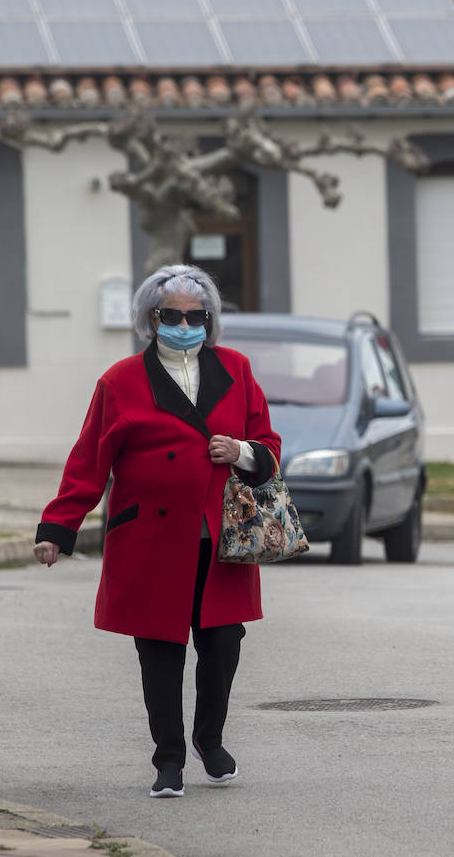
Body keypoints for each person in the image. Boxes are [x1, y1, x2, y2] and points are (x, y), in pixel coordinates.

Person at [33, 264, 280, 798]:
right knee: (160, 651)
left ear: (210, 320)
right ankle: (168, 760)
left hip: (221, 540)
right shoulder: (119, 381)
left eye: (197, 316)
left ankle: (208, 741)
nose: (185, 324)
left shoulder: (236, 369)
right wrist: (58, 526)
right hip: (149, 540)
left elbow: (269, 447)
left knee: (223, 644)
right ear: (152, 319)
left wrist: (240, 451)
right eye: (173, 315)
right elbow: (88, 461)